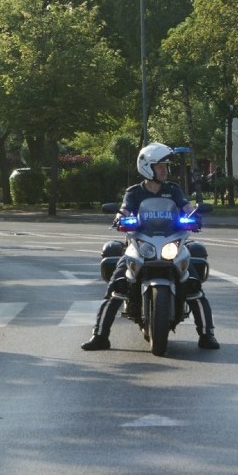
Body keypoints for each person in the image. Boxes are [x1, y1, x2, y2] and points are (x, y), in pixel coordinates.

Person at [81, 142, 220, 351]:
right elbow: (124, 211)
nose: (165, 170)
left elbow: (186, 207)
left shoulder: (172, 190)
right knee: (117, 285)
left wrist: (194, 217)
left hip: (171, 243)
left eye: (166, 166)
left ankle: (207, 334)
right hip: (140, 245)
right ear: (148, 167)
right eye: (160, 166)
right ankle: (100, 336)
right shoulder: (134, 192)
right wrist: (121, 219)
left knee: (193, 285)